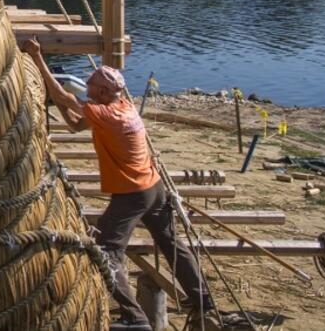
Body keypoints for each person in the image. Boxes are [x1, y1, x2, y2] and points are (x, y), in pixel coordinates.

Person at [21, 38, 232, 331]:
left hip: (132, 192)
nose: (86, 87)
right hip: (154, 187)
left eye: (92, 86)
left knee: (107, 251)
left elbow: (67, 98)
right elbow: (74, 123)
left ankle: (135, 319)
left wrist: (37, 58)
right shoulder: (124, 106)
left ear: (104, 92)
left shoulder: (106, 113)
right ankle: (204, 305)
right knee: (172, 244)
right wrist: (63, 103)